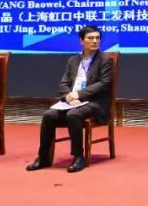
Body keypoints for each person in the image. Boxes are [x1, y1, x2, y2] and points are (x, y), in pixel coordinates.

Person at [26, 26, 113, 173]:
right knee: (49, 115)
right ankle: (43, 157)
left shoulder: (105, 59)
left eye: (97, 38)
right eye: (90, 38)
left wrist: (79, 94)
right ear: (81, 41)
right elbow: (64, 83)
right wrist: (67, 96)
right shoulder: (73, 60)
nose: (95, 41)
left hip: (95, 102)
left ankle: (78, 156)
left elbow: (104, 84)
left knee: (74, 115)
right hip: (71, 101)